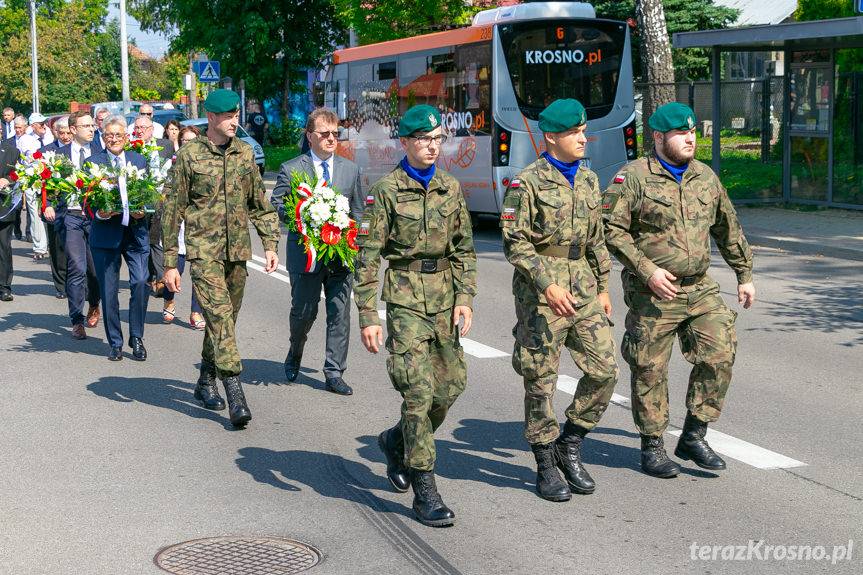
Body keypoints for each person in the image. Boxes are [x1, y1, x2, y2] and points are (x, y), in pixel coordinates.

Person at [603, 102, 756, 478]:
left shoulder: (705, 177)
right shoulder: (633, 178)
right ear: (658, 137)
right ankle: (652, 445)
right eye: (680, 133)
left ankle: (693, 433)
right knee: (649, 368)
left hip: (700, 288)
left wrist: (744, 273)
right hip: (653, 292)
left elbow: (727, 226)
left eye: (692, 132)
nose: (690, 138)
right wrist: (647, 269)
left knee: (720, 353)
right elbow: (610, 229)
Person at [354, 104, 477, 527]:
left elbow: (464, 249)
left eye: (438, 139)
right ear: (404, 143)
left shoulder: (450, 187)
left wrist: (466, 297)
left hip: (445, 299)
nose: (432, 146)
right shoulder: (387, 190)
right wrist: (369, 314)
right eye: (424, 139)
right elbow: (368, 256)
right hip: (406, 301)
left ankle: (395, 440)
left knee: (451, 386)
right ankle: (425, 489)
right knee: (418, 392)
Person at [500, 99, 619, 502]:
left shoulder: (588, 179)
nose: (583, 138)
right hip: (542, 294)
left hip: (584, 287)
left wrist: (603, 288)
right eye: (574, 132)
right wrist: (546, 285)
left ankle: (571, 441)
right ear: (551, 136)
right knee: (541, 381)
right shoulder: (527, 182)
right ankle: (546, 464)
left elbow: (597, 240)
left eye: (584, 131)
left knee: (605, 371)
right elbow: (515, 242)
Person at [162, 89, 280, 428]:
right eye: (227, 116)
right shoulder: (190, 155)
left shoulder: (245, 153)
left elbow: (259, 202)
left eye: (236, 115)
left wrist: (270, 243)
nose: (234, 121)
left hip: (238, 252)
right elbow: (173, 210)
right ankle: (235, 393)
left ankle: (204, 380)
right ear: (211, 118)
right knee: (220, 317)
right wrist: (171, 262)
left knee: (223, 322)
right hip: (204, 252)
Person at [270, 108, 364, 394]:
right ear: (310, 136)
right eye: (325, 134)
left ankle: (334, 371)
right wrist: (304, 218)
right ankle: (295, 349)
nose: (331, 139)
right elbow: (276, 204)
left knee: (340, 312)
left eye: (336, 133)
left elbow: (359, 212)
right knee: (303, 313)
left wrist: (358, 250)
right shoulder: (291, 168)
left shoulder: (351, 170)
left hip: (341, 257)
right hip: (306, 254)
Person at [87, 116, 151, 361]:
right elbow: (87, 203)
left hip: (135, 233)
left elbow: (149, 193)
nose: (113, 139)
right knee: (110, 291)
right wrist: (99, 213)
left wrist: (143, 209)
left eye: (118, 135)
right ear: (103, 138)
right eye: (109, 135)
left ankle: (137, 336)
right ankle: (115, 342)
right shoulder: (93, 163)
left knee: (140, 281)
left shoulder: (138, 160)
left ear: (127, 137)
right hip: (106, 236)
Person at [54, 111, 103, 339]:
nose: (91, 129)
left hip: (95, 218)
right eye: (86, 126)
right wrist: (49, 204)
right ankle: (76, 318)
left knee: (95, 270)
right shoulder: (59, 155)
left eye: (92, 126)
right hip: (72, 216)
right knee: (76, 267)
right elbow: (47, 183)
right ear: (73, 129)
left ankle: (94, 303)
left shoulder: (100, 154)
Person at [150, 125, 204, 329]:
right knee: (175, 269)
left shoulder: (207, 166)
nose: (188, 145)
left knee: (200, 272)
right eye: (184, 142)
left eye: (192, 141)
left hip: (200, 227)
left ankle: (196, 311)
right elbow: (165, 194)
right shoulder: (173, 165)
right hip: (179, 227)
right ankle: (169, 301)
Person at [16, 115, 49, 260]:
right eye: (41, 123)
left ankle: (51, 244)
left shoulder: (48, 136)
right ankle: (40, 247)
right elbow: (20, 160)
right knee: (35, 213)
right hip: (32, 180)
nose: (44, 126)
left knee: (49, 211)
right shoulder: (25, 139)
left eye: (45, 123)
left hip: (49, 179)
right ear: (33, 125)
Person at [0, 136, 20, 300]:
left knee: (3, 248)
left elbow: (20, 174)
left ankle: (4, 287)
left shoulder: (12, 152)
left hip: (3, 207)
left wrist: (7, 179)